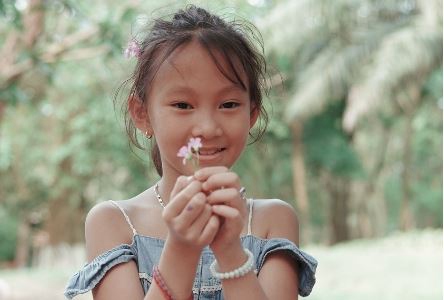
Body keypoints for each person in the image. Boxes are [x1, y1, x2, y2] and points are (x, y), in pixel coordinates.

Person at [64, 4, 317, 300]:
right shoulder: (113, 222)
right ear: (142, 113)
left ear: (252, 114)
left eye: (228, 105)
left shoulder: (273, 221)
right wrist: (181, 249)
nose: (208, 128)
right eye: (183, 105)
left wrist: (230, 250)